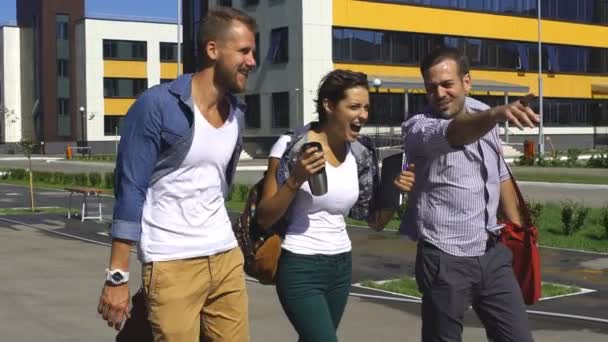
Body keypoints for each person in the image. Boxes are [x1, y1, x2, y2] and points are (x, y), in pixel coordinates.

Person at [96, 7, 257, 342]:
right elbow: (130, 189)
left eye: (252, 52)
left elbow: (215, 185)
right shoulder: (157, 105)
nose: (252, 61)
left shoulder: (236, 115)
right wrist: (117, 276)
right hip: (172, 262)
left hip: (226, 258)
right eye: (244, 51)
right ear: (213, 50)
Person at [256, 69, 416, 342]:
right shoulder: (291, 145)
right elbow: (264, 217)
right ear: (329, 106)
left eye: (366, 108)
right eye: (354, 107)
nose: (363, 115)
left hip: (341, 266)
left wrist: (396, 193)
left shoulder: (361, 151)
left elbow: (375, 221)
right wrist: (296, 179)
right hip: (300, 266)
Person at [401, 46, 538, 342]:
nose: (439, 93)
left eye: (447, 84)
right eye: (431, 87)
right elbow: (455, 133)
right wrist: (496, 113)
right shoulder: (419, 127)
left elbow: (500, 175)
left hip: (492, 254)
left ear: (467, 82)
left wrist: (516, 233)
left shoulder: (482, 115)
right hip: (444, 258)